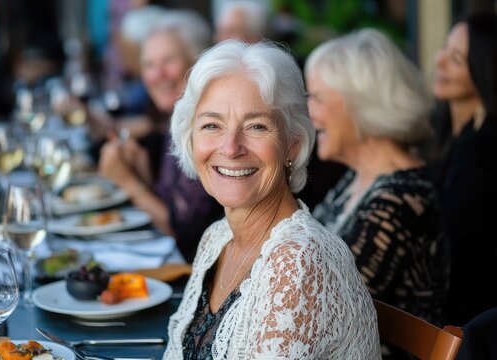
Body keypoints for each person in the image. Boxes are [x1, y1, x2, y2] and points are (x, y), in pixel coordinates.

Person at [164, 40, 380, 359]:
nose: (230, 147)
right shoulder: (218, 238)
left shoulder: (300, 262)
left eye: (256, 126)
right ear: (190, 138)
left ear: (291, 145)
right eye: (212, 125)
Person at [306, 29, 448, 326]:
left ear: (360, 104)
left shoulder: (402, 198)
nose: (309, 112)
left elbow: (327, 307)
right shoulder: (360, 177)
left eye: (317, 98)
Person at [98, 10, 222, 262]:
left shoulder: (205, 125)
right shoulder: (177, 117)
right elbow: (168, 206)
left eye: (169, 61)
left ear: (197, 62)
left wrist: (127, 183)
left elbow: (183, 235)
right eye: (149, 65)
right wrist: (140, 169)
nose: (158, 75)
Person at [432, 13, 497, 326]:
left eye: (455, 58)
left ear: (483, 72)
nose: (439, 60)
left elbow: (466, 261)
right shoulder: (449, 134)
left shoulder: (480, 152)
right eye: (445, 48)